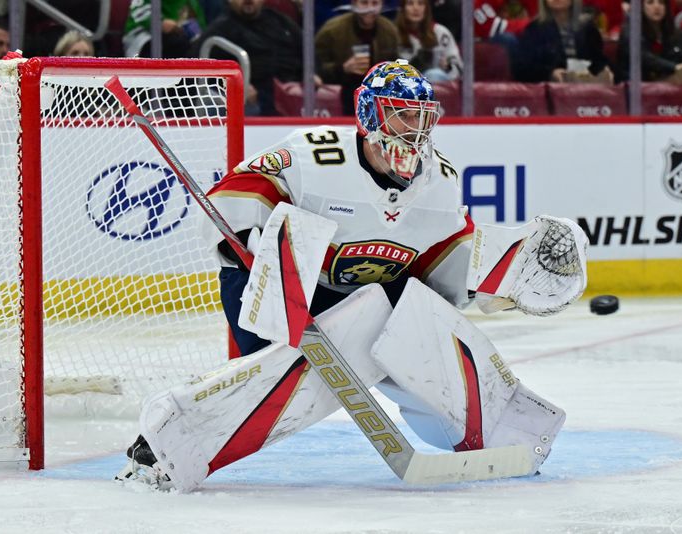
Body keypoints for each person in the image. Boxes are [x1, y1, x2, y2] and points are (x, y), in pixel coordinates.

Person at [115, 60, 587, 491]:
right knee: (293, 359)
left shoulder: (439, 181)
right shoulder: (313, 155)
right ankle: (167, 444)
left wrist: (503, 277)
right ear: (368, 115)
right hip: (273, 294)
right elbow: (232, 201)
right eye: (402, 114)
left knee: (407, 314)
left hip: (357, 300)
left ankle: (502, 429)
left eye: (423, 115)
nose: (416, 127)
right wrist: (261, 249)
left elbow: (444, 273)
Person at [192, 0, 304, 116]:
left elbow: (307, 53)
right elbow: (196, 70)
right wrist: (232, 85)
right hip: (256, 100)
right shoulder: (219, 30)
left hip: (293, 93)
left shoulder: (283, 23)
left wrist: (313, 74)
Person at [315, 0, 400, 114]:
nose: (370, 9)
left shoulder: (389, 30)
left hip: (380, 92)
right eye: (364, 3)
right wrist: (343, 68)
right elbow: (315, 68)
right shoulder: (332, 30)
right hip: (342, 90)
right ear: (354, 4)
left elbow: (397, 66)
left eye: (375, 4)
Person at [514, 0, 613, 83]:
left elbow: (598, 62)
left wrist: (605, 71)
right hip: (549, 93)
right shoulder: (534, 29)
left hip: (584, 91)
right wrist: (550, 74)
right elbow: (522, 70)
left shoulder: (587, 29)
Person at [616, 0, 682, 82]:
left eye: (661, 2)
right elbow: (643, 57)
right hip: (636, 85)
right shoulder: (630, 30)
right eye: (650, 2)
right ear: (641, 7)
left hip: (669, 83)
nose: (657, 7)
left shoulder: (675, 33)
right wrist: (674, 67)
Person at [395, 0, 464, 81]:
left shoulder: (441, 33)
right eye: (410, 4)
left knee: (434, 74)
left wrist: (448, 67)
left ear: (427, 8)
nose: (416, 8)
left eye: (420, 4)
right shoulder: (393, 34)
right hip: (403, 84)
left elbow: (460, 70)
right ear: (402, 9)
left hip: (437, 83)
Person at [123, 0, 207, 58]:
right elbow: (139, 11)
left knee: (200, 46)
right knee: (178, 43)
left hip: (179, 38)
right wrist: (161, 22)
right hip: (144, 37)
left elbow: (195, 19)